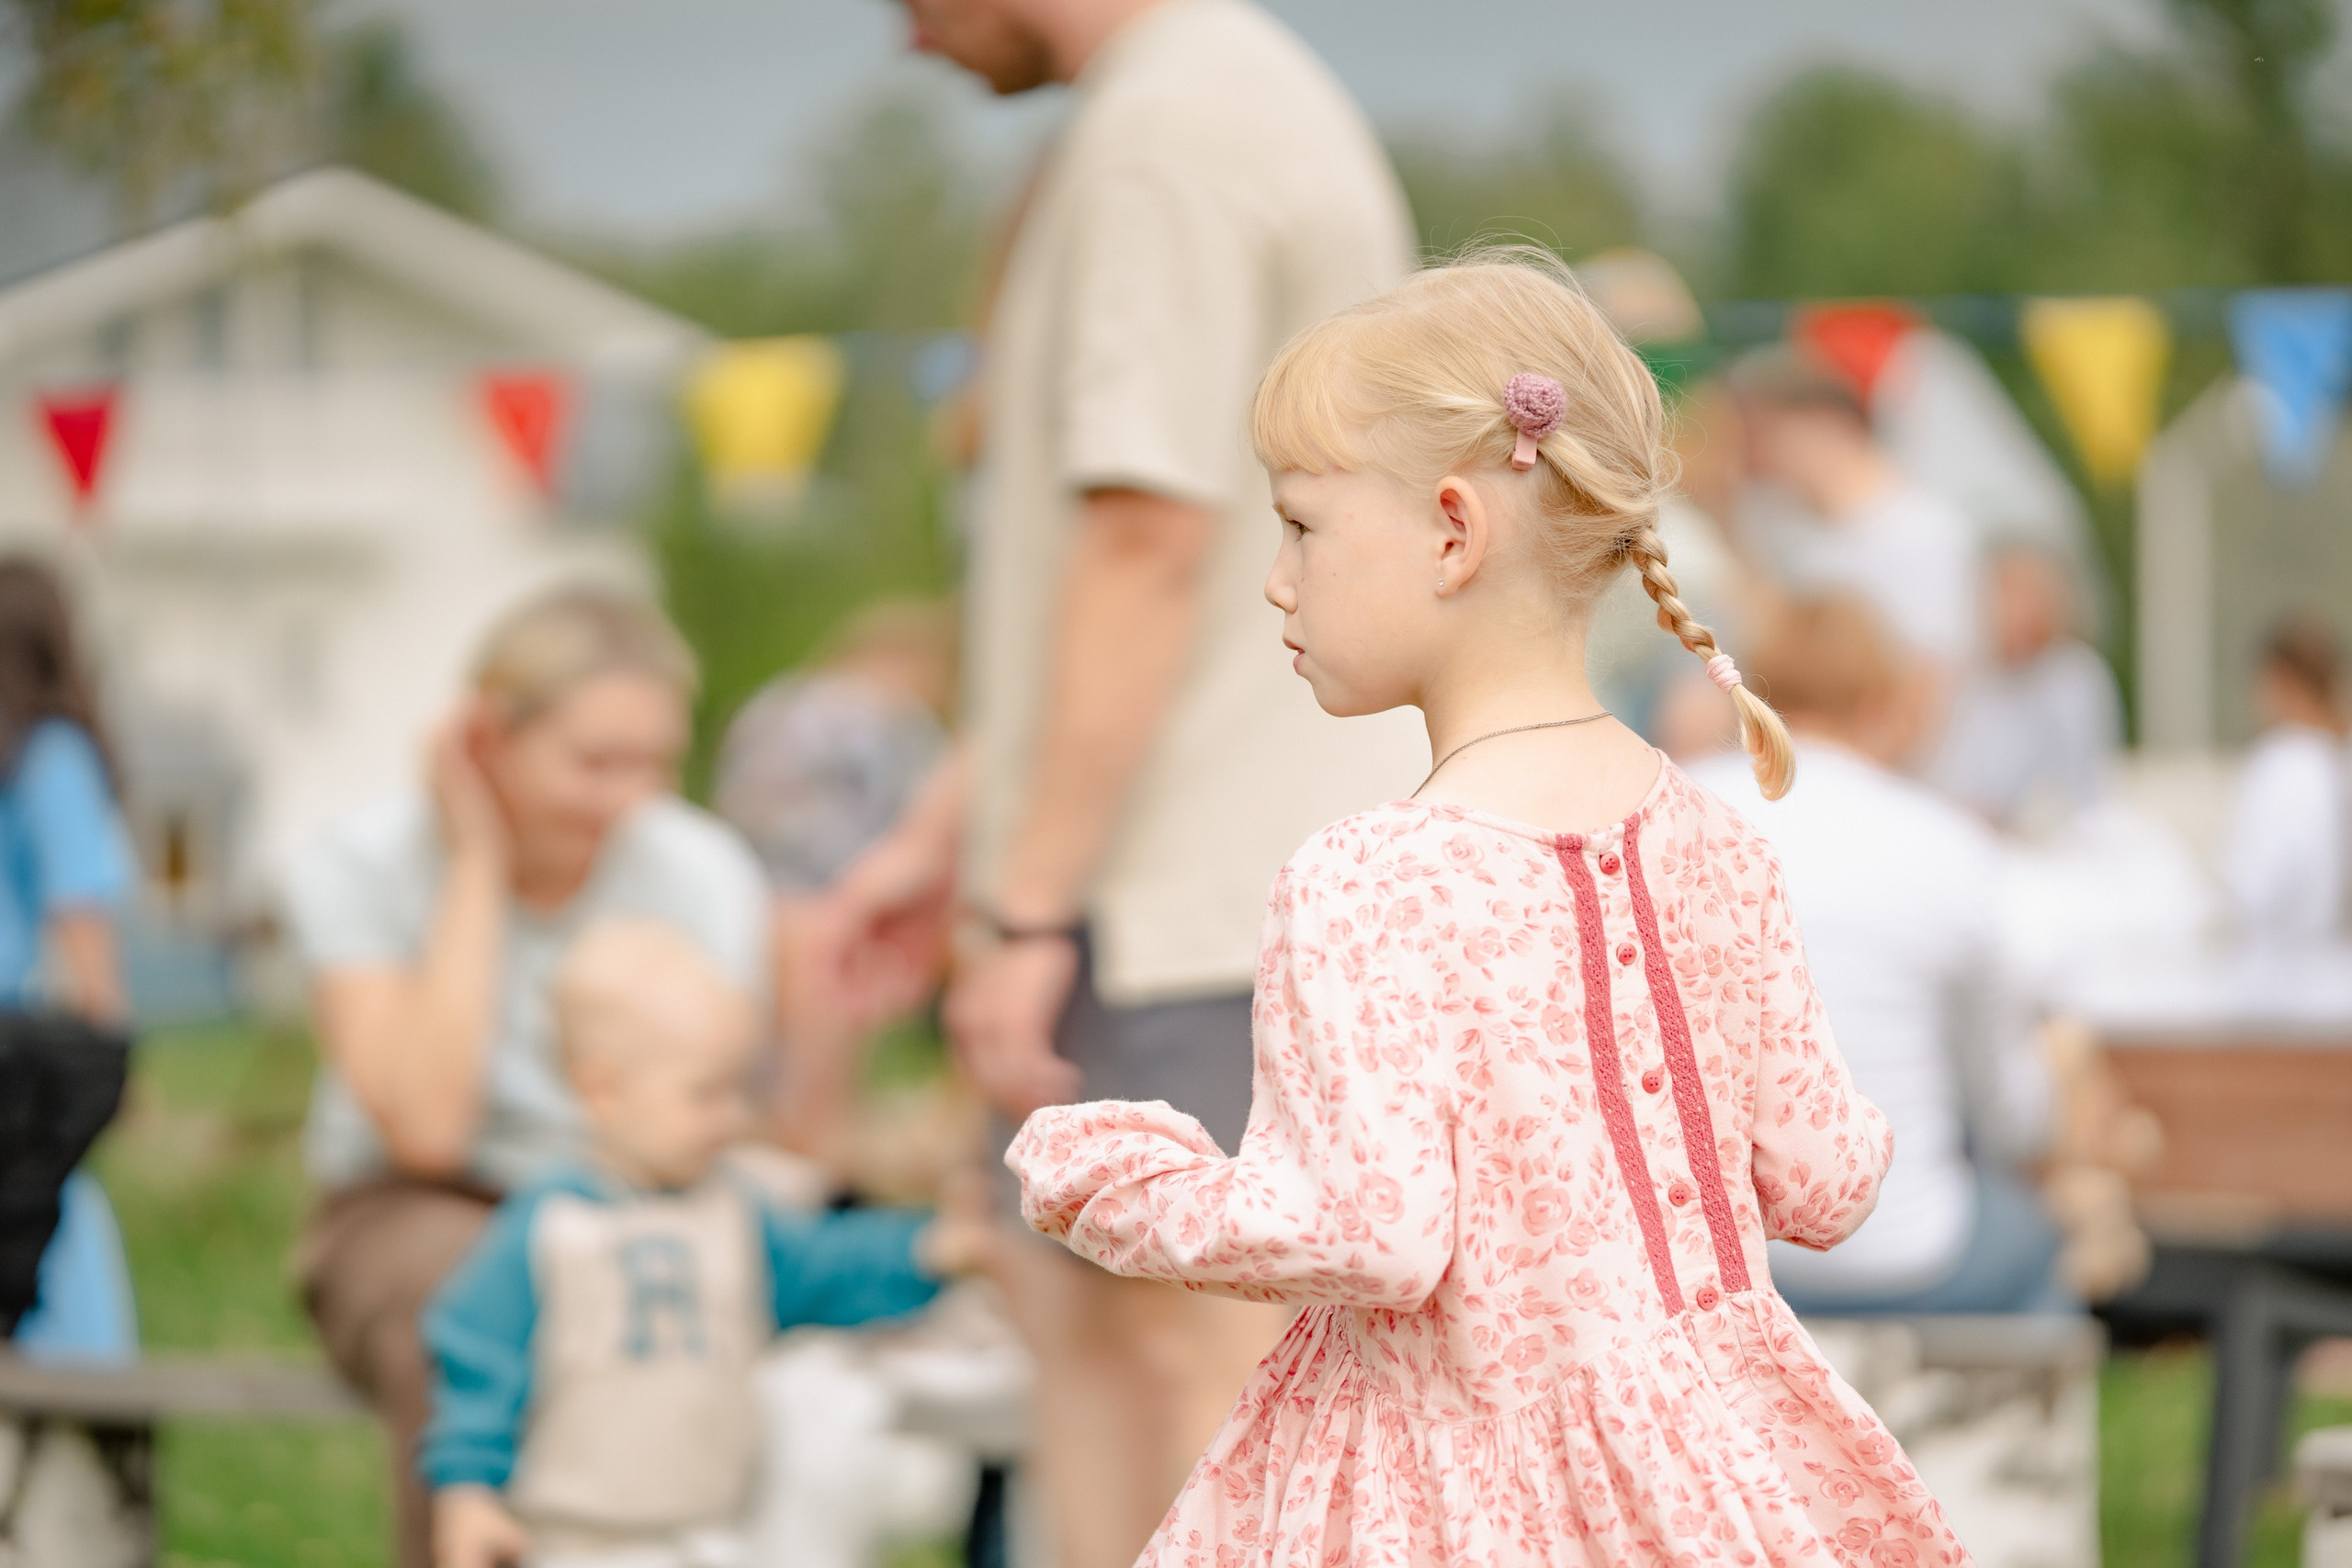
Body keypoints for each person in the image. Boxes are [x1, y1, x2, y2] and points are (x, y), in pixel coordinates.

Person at [1007, 255, 1964, 1562]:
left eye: (1299, 524)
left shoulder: (1368, 878)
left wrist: (1116, 1179)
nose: (1278, 581)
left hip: (1451, 1493)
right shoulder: (1717, 841)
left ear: (1455, 529)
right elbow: (1829, 1174)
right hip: (1709, 1478)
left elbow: (1368, 1229)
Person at [813, 1, 1424, 1562]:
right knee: (1089, 1342)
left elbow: (1148, 551)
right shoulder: (1196, 104)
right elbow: (1145, 580)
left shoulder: (1175, 136)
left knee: (1212, 1383)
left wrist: (1026, 905)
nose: (905, 40)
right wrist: (955, 839)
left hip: (1198, 903)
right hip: (1156, 888)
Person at [281, 585, 770, 1568]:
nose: (629, 797)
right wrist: (475, 865)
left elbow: (711, 1107)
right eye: (594, 762)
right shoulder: (361, 867)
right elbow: (426, 1127)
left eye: (655, 764)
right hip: (414, 1203)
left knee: (679, 1295)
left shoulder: (702, 871)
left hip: (642, 1189)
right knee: (473, 1305)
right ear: (483, 740)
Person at [423, 920, 982, 1568]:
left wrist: (929, 1248)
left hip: (712, 1536)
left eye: (740, 1088)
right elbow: (478, 1360)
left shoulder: (738, 1212)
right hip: (575, 1541)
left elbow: (825, 1267)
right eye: (704, 1093)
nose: (733, 1116)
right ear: (603, 1090)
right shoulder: (549, 1227)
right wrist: (466, 1489)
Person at [1692, 595, 2064, 1314]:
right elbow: (2012, 1115)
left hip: (1716, 1260)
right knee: (2033, 1229)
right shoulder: (1947, 844)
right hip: (1904, 1254)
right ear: (1880, 701)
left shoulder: (1674, 805)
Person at [714, 600, 954, 1174]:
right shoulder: (895, 719)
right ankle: (816, 1181)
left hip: (756, 895)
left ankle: (768, 1171)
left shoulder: (773, 703)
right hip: (844, 897)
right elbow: (924, 818)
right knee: (823, 1073)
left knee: (760, 1066)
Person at [0, 558, 139, 1363]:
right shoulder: (51, 757)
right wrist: (108, 1070)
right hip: (18, 1075)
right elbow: (86, 942)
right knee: (64, 1306)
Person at [1728, 347, 1982, 737]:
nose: (1756, 459)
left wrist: (1846, 778)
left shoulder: (1921, 533)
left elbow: (1924, 694)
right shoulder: (1802, 536)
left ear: (1826, 424)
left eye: (1765, 436)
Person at [1931, 543, 2122, 830]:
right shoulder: (1966, 675)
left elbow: (2084, 783)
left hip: (2052, 837)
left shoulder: (2073, 677)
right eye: (2003, 593)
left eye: (2025, 595)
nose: (2012, 609)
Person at [2221, 615, 2349, 953]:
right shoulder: (2337, 760)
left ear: (2279, 678)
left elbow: (2254, 888)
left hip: (2276, 972)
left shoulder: (2283, 763)